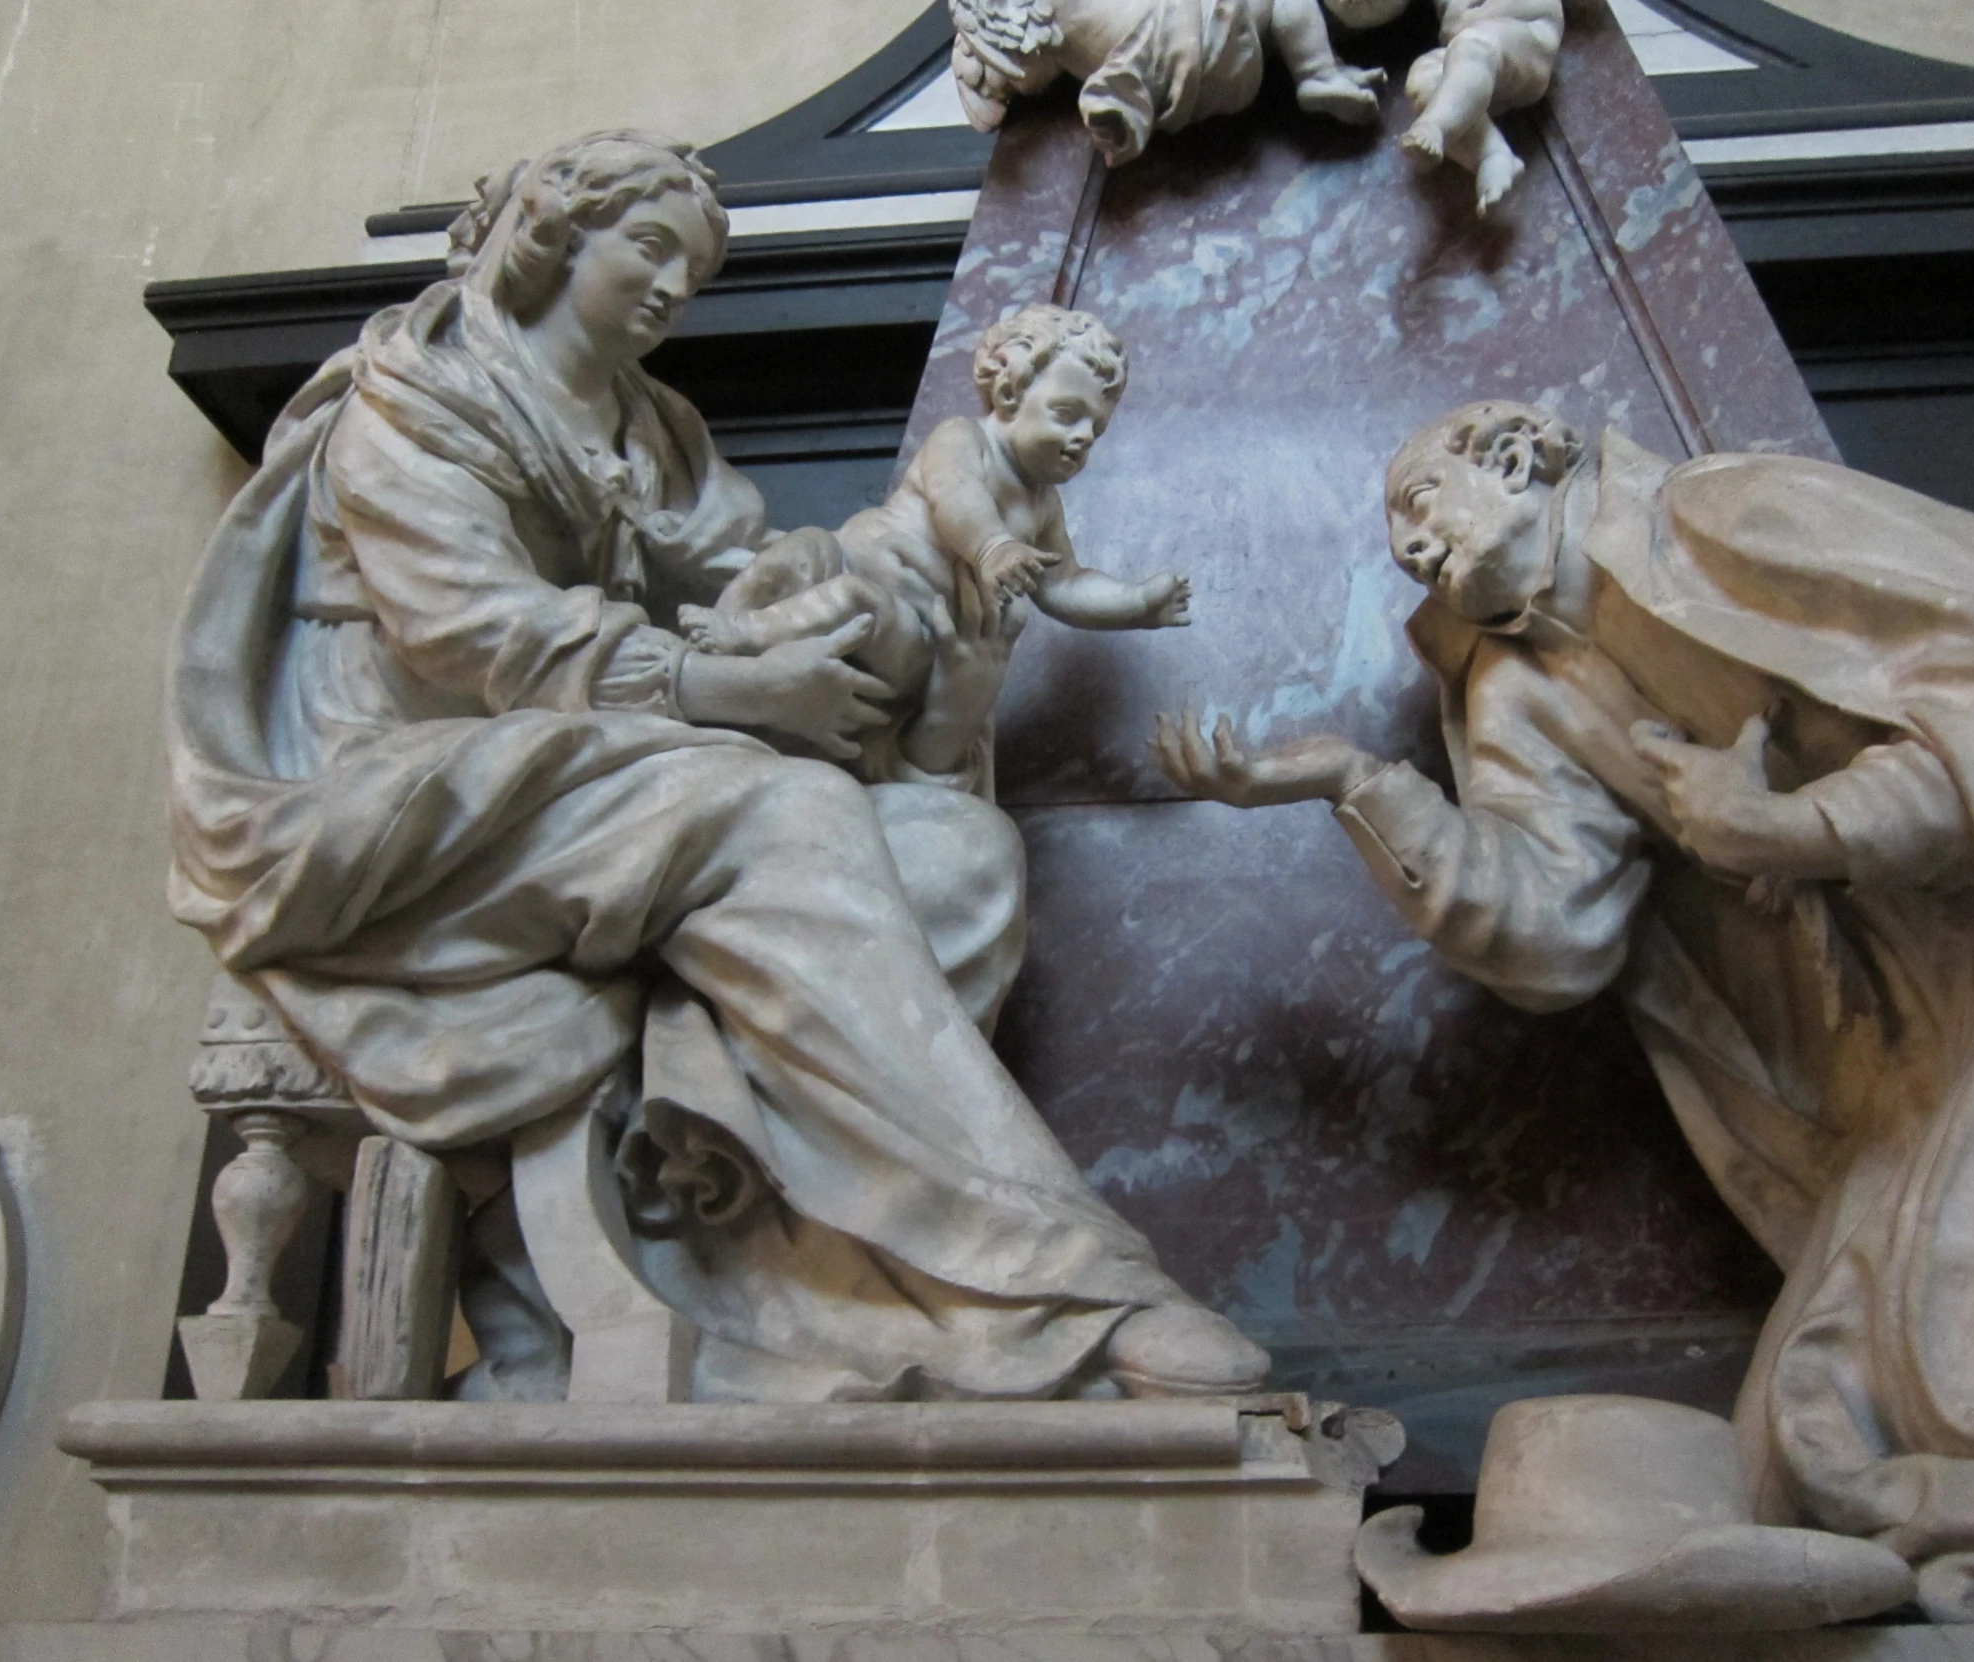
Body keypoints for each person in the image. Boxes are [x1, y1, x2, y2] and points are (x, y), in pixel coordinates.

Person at [165, 129, 1267, 1404]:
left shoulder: (653, 431)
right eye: (646, 251)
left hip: (581, 773)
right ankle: (1056, 1281)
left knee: (953, 846)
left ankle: (773, 1296)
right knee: (776, 804)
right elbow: (474, 631)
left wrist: (842, 615)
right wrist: (722, 685)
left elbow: (747, 561)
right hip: (395, 797)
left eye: (688, 275)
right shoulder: (417, 401)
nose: (668, 292)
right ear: (548, 236)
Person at [1155, 398, 1974, 1619]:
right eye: (1400, 547)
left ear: (1513, 456)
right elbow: (1549, 936)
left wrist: (1798, 827)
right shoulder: (1520, 688)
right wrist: (1350, 781)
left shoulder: (1726, 513)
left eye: (1420, 508)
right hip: (1918, 1034)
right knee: (1824, 1391)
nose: (1412, 551)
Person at [685, 304, 1191, 793]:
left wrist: (1135, 603)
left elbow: (1065, 584)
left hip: (912, 638)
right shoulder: (962, 437)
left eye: (1096, 429)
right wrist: (992, 547)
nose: (1083, 437)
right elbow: (956, 494)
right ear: (1011, 391)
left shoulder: (1042, 506)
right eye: (1067, 414)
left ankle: (742, 638)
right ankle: (736, 632)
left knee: (856, 600)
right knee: (805, 549)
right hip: (847, 562)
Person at [949, 0, 1385, 168]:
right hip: (1180, 24)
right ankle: (1317, 70)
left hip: (1156, 78)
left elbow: (1033, 71)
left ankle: (1317, 72)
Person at [1399, 0, 1564, 213]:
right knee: (1425, 78)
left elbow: (1459, 25)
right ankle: (1491, 153)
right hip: (1465, 58)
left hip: (1523, 39)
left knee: (1474, 44)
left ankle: (1435, 126)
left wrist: (1463, 20)